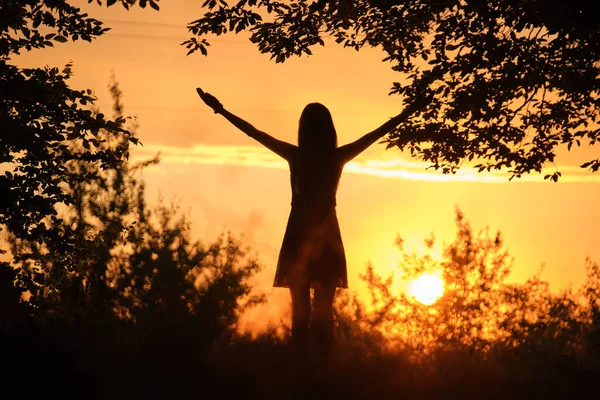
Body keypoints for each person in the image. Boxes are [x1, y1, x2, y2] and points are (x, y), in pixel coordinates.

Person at [196, 87, 432, 360]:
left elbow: (254, 133)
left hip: (298, 235)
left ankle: (301, 368)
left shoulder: (296, 156)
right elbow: (376, 133)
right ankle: (322, 367)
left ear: (303, 130)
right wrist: (411, 110)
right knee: (323, 311)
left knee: (301, 312)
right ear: (329, 130)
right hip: (328, 237)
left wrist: (221, 110)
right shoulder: (335, 157)